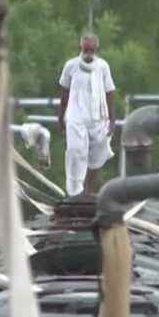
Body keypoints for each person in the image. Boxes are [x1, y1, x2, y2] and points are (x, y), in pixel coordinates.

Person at [57, 34, 116, 196]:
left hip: (98, 117)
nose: (88, 53)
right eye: (86, 49)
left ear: (96, 50)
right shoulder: (71, 66)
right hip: (76, 116)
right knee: (76, 151)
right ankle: (75, 192)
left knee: (96, 155)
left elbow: (110, 91)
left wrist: (112, 119)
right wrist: (60, 117)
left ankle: (88, 190)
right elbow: (64, 93)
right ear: (81, 49)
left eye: (92, 50)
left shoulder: (103, 67)